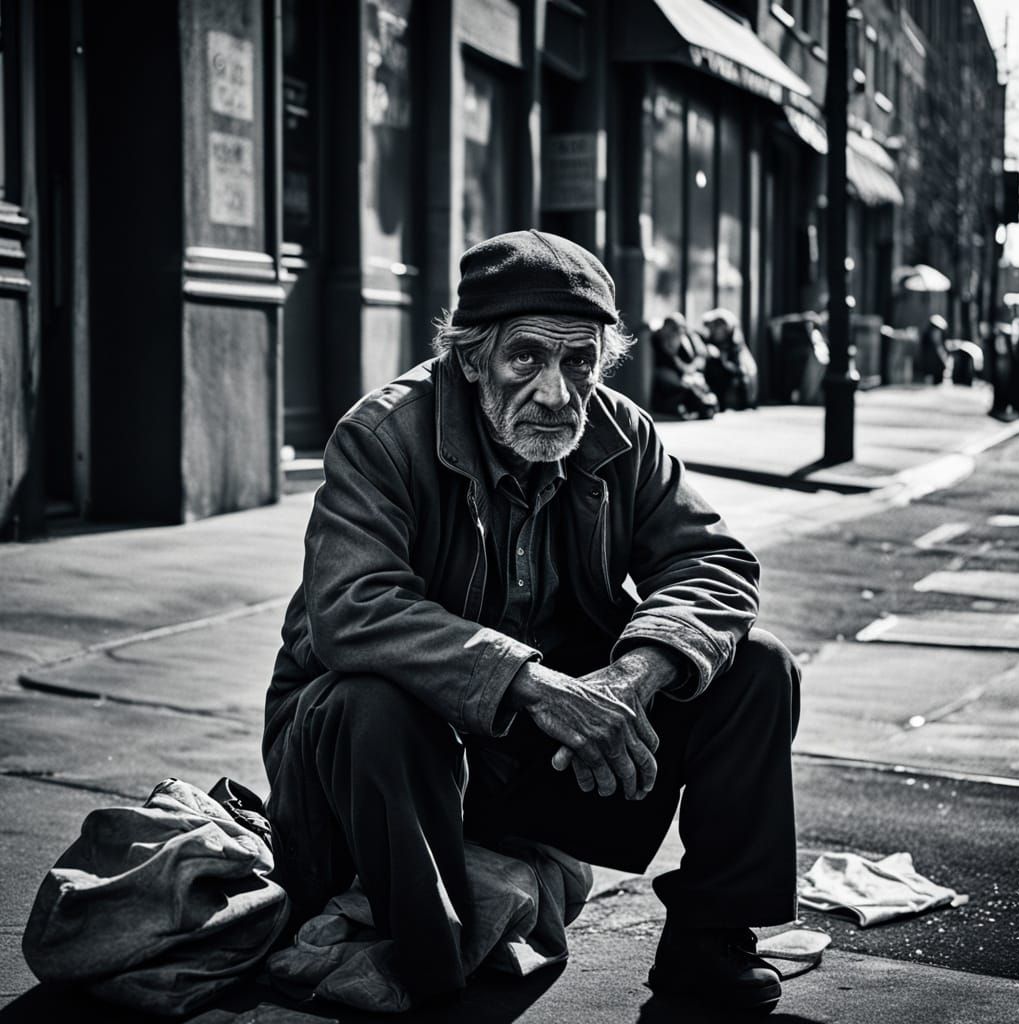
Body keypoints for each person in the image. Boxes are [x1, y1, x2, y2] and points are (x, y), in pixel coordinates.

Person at [263, 230, 800, 1015]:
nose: (557, 391)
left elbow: (714, 566)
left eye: (578, 362)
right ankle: (430, 967)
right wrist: (534, 685)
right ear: (471, 357)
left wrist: (630, 675)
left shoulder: (618, 434)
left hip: (523, 763)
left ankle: (707, 940)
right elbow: (354, 608)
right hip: (372, 775)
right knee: (371, 699)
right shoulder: (381, 436)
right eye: (527, 359)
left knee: (755, 667)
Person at [650, 313, 719, 419]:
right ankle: (702, 406)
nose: (671, 337)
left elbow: (697, 359)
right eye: (669, 332)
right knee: (684, 386)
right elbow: (669, 366)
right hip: (670, 378)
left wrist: (690, 371)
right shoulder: (658, 341)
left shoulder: (687, 341)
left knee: (697, 384)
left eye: (675, 332)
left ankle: (706, 404)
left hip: (685, 374)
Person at [702, 307, 759, 410]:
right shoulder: (709, 343)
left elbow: (743, 372)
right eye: (713, 327)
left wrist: (722, 360)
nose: (715, 330)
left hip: (735, 390)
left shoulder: (736, 348)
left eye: (719, 326)